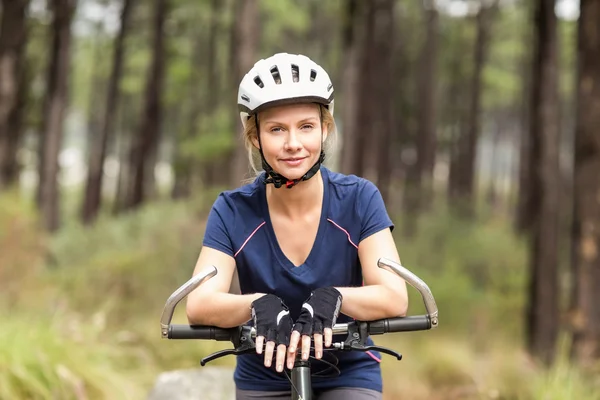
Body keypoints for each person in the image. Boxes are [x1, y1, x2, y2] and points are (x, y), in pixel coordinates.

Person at [186, 53, 408, 400]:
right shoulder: (232, 209)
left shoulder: (360, 198)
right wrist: (258, 303)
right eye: (276, 129)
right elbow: (198, 304)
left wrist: (334, 298)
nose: (293, 143)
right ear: (256, 137)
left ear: (325, 129)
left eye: (306, 126)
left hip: (348, 371)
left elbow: (395, 296)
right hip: (263, 375)